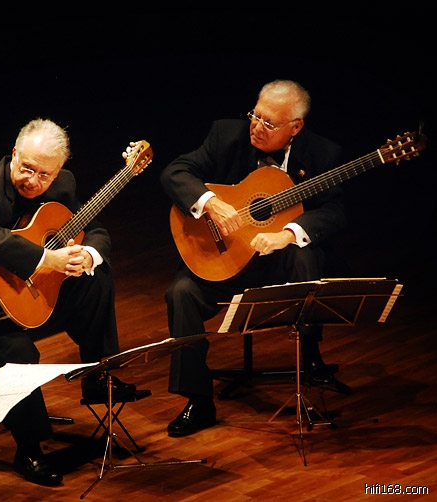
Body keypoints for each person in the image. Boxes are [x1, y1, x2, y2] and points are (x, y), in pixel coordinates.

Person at [0, 118, 137, 487]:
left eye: (44, 175)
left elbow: (96, 231)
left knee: (97, 277)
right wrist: (47, 260)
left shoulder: (63, 185)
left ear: (58, 171)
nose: (33, 181)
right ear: (14, 154)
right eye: (27, 168)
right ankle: (29, 450)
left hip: (31, 299)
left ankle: (96, 376)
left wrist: (86, 255)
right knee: (18, 350)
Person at [160, 79, 351, 438]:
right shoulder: (225, 134)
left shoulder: (322, 153)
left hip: (277, 265)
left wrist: (287, 234)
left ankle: (309, 358)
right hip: (226, 257)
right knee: (180, 293)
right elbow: (175, 172)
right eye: (255, 115)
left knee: (305, 254)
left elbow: (333, 212)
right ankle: (198, 400)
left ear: (296, 127)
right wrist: (211, 203)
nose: (257, 127)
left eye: (269, 123)